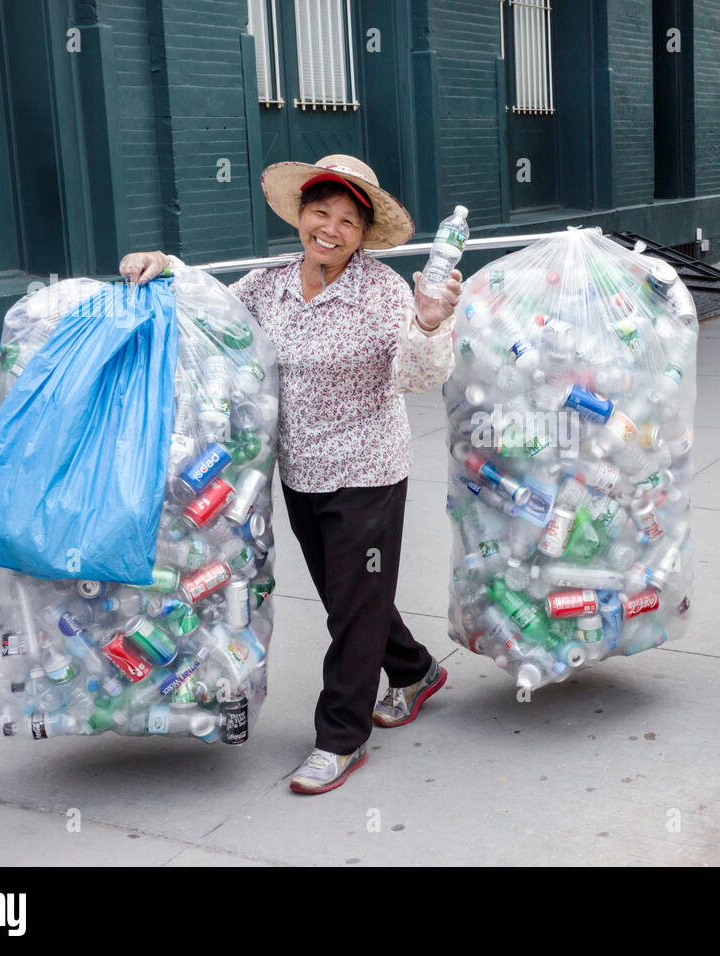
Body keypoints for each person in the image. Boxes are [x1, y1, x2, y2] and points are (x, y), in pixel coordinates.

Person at [120, 155, 462, 795]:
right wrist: (165, 266)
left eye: (347, 221)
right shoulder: (268, 285)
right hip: (298, 471)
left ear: (364, 233)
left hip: (366, 468)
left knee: (353, 610)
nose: (330, 229)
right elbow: (209, 311)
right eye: (320, 213)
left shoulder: (386, 292)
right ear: (301, 215)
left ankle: (340, 738)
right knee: (347, 596)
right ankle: (415, 669)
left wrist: (430, 322)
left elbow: (418, 376)